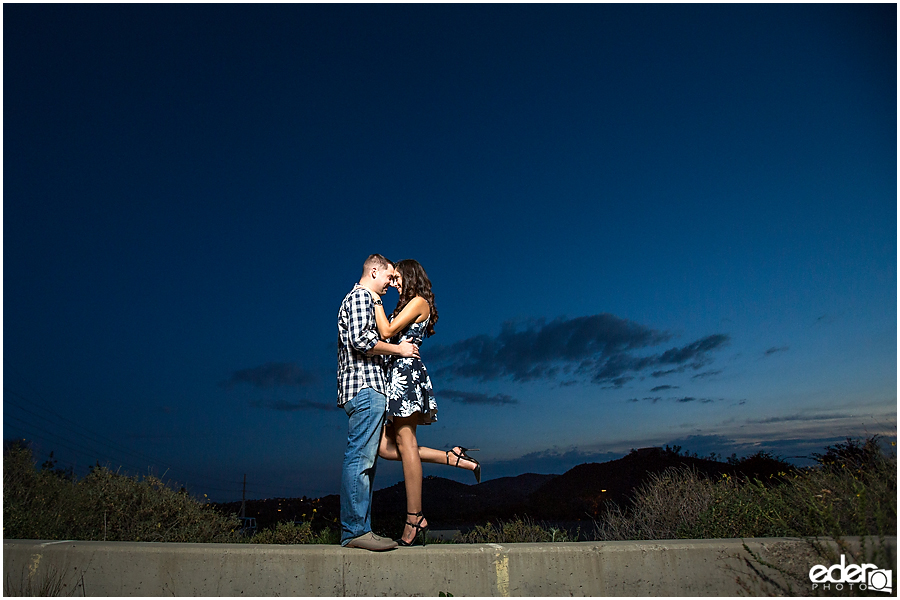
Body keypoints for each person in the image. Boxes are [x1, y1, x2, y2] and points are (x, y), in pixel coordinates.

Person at [369, 259, 481, 547]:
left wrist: (375, 297)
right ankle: (452, 458)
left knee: (406, 446)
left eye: (396, 278)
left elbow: (386, 331)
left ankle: (414, 517)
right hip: (395, 377)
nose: (393, 283)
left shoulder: (419, 301)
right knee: (385, 447)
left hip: (405, 377)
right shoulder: (411, 302)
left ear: (409, 275)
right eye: (390, 279)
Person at [337, 254, 420, 551]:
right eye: (388, 277)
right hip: (365, 388)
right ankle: (355, 531)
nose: (389, 284)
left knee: (367, 461)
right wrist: (398, 350)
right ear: (375, 271)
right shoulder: (361, 297)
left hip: (368, 390)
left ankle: (360, 529)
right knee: (360, 459)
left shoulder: (364, 299)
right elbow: (362, 340)